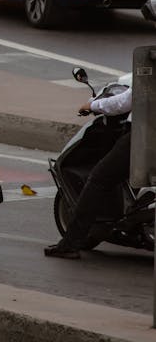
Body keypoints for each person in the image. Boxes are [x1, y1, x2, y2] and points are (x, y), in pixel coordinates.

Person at [44, 85, 132, 259]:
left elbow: (124, 102)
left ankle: (69, 244)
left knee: (99, 179)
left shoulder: (148, 67)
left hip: (146, 136)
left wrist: (92, 106)